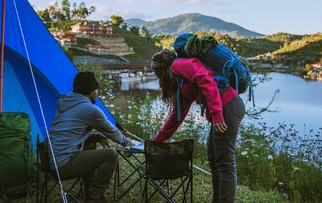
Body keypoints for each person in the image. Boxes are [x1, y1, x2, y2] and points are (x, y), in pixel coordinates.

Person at [151, 46, 245, 203]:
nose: (157, 76)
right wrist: (157, 140)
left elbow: (206, 80)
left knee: (225, 162)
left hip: (228, 108)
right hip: (223, 111)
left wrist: (216, 115)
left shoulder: (178, 66)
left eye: (158, 71)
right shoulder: (179, 81)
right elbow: (177, 115)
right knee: (213, 157)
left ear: (164, 68)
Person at [48, 71, 133, 203]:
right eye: (96, 89)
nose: (97, 93)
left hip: (52, 162)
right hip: (63, 165)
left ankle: (88, 189)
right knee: (110, 155)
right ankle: (94, 197)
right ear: (91, 91)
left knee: (91, 142)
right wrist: (128, 143)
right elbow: (112, 131)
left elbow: (73, 134)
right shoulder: (88, 109)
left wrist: (98, 136)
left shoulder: (67, 104)